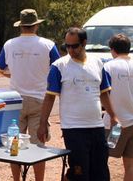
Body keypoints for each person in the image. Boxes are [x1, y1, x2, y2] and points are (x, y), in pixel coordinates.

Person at [38, 27, 118, 181]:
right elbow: (49, 98)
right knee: (79, 172)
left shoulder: (98, 63)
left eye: (74, 46)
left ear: (84, 43)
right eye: (67, 46)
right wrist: (42, 124)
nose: (70, 50)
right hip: (73, 128)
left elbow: (104, 94)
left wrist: (113, 115)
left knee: (100, 171)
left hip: (96, 127)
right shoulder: (59, 66)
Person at [0, 9, 60, 181]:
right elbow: (59, 68)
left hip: (15, 100)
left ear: (21, 26)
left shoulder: (9, 44)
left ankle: (17, 179)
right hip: (40, 100)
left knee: (14, 144)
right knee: (38, 147)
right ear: (37, 25)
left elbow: (0, 67)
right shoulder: (48, 45)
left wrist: (13, 75)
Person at [103, 34, 133, 181]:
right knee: (130, 165)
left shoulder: (108, 67)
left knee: (103, 159)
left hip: (114, 125)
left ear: (112, 50)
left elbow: (103, 93)